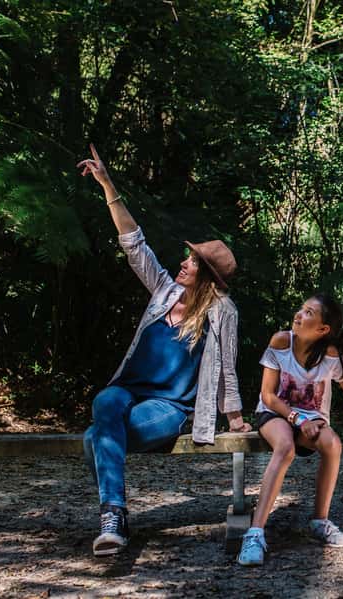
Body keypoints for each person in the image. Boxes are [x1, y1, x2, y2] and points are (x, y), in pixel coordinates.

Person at [77, 144, 250, 557]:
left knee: (94, 439)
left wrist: (235, 417)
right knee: (104, 402)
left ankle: (114, 518)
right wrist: (107, 185)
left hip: (168, 407)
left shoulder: (221, 312)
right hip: (128, 390)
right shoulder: (164, 291)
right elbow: (133, 243)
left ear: (206, 276)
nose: (183, 264)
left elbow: (227, 367)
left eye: (192, 262)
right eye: (187, 259)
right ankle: (115, 515)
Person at [237, 294, 343, 566]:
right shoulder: (281, 342)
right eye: (301, 309)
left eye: (308, 312)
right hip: (276, 413)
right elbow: (268, 396)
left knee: (333, 444)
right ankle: (255, 533)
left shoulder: (331, 357)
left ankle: (320, 521)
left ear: (323, 329)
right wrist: (297, 419)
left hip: (312, 420)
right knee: (285, 446)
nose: (299, 314)